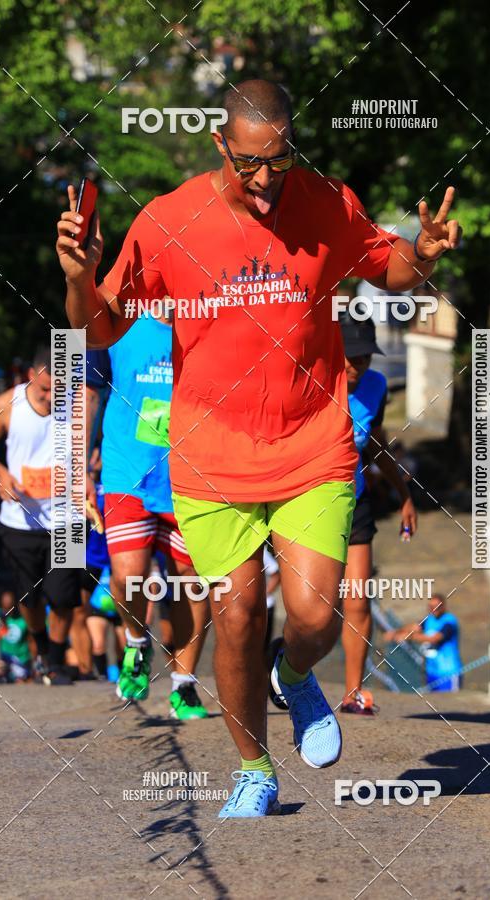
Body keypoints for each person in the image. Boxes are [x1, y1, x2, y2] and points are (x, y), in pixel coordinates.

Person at [57, 78, 462, 816]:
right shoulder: (170, 220)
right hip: (211, 452)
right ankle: (254, 768)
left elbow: (389, 266)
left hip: (312, 442)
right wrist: (81, 281)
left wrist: (425, 254)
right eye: (249, 163)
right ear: (221, 145)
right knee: (238, 613)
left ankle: (297, 677)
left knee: (312, 617)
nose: (266, 180)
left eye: (278, 160)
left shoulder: (327, 202)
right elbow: (98, 331)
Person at [85, 310, 210, 720]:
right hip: (127, 473)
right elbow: (85, 392)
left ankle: (184, 686)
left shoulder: (208, 324)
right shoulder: (116, 321)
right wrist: (81, 468)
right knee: (126, 575)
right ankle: (137, 642)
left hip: (191, 478)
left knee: (190, 584)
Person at [0, 347, 87, 685]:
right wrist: (1, 474)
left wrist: (86, 476)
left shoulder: (78, 403)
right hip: (20, 520)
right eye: (44, 389)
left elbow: (89, 448)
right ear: (32, 376)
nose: (49, 396)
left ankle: (55, 661)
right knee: (29, 596)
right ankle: (41, 649)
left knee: (63, 596)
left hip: (66, 519)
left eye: (58, 389)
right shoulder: (7, 404)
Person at [339, 314, 417, 715]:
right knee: (311, 611)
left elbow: (375, 441)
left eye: (365, 357)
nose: (357, 366)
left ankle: (353, 693)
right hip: (303, 504)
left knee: (357, 601)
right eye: (350, 357)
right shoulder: (306, 379)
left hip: (355, 502)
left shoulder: (375, 386)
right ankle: (288, 666)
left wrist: (404, 494)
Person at [385, 594, 463, 691]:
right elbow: (414, 627)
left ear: (443, 607)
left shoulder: (449, 621)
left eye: (437, 607)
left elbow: (434, 638)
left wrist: (409, 637)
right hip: (432, 672)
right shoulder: (429, 620)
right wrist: (395, 633)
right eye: (431, 607)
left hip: (448, 673)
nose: (434, 610)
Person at [0, 588, 32, 682]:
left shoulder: (23, 621)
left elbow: (32, 641)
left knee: (20, 680)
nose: (7, 599)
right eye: (4, 597)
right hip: (3, 661)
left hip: (21, 662)